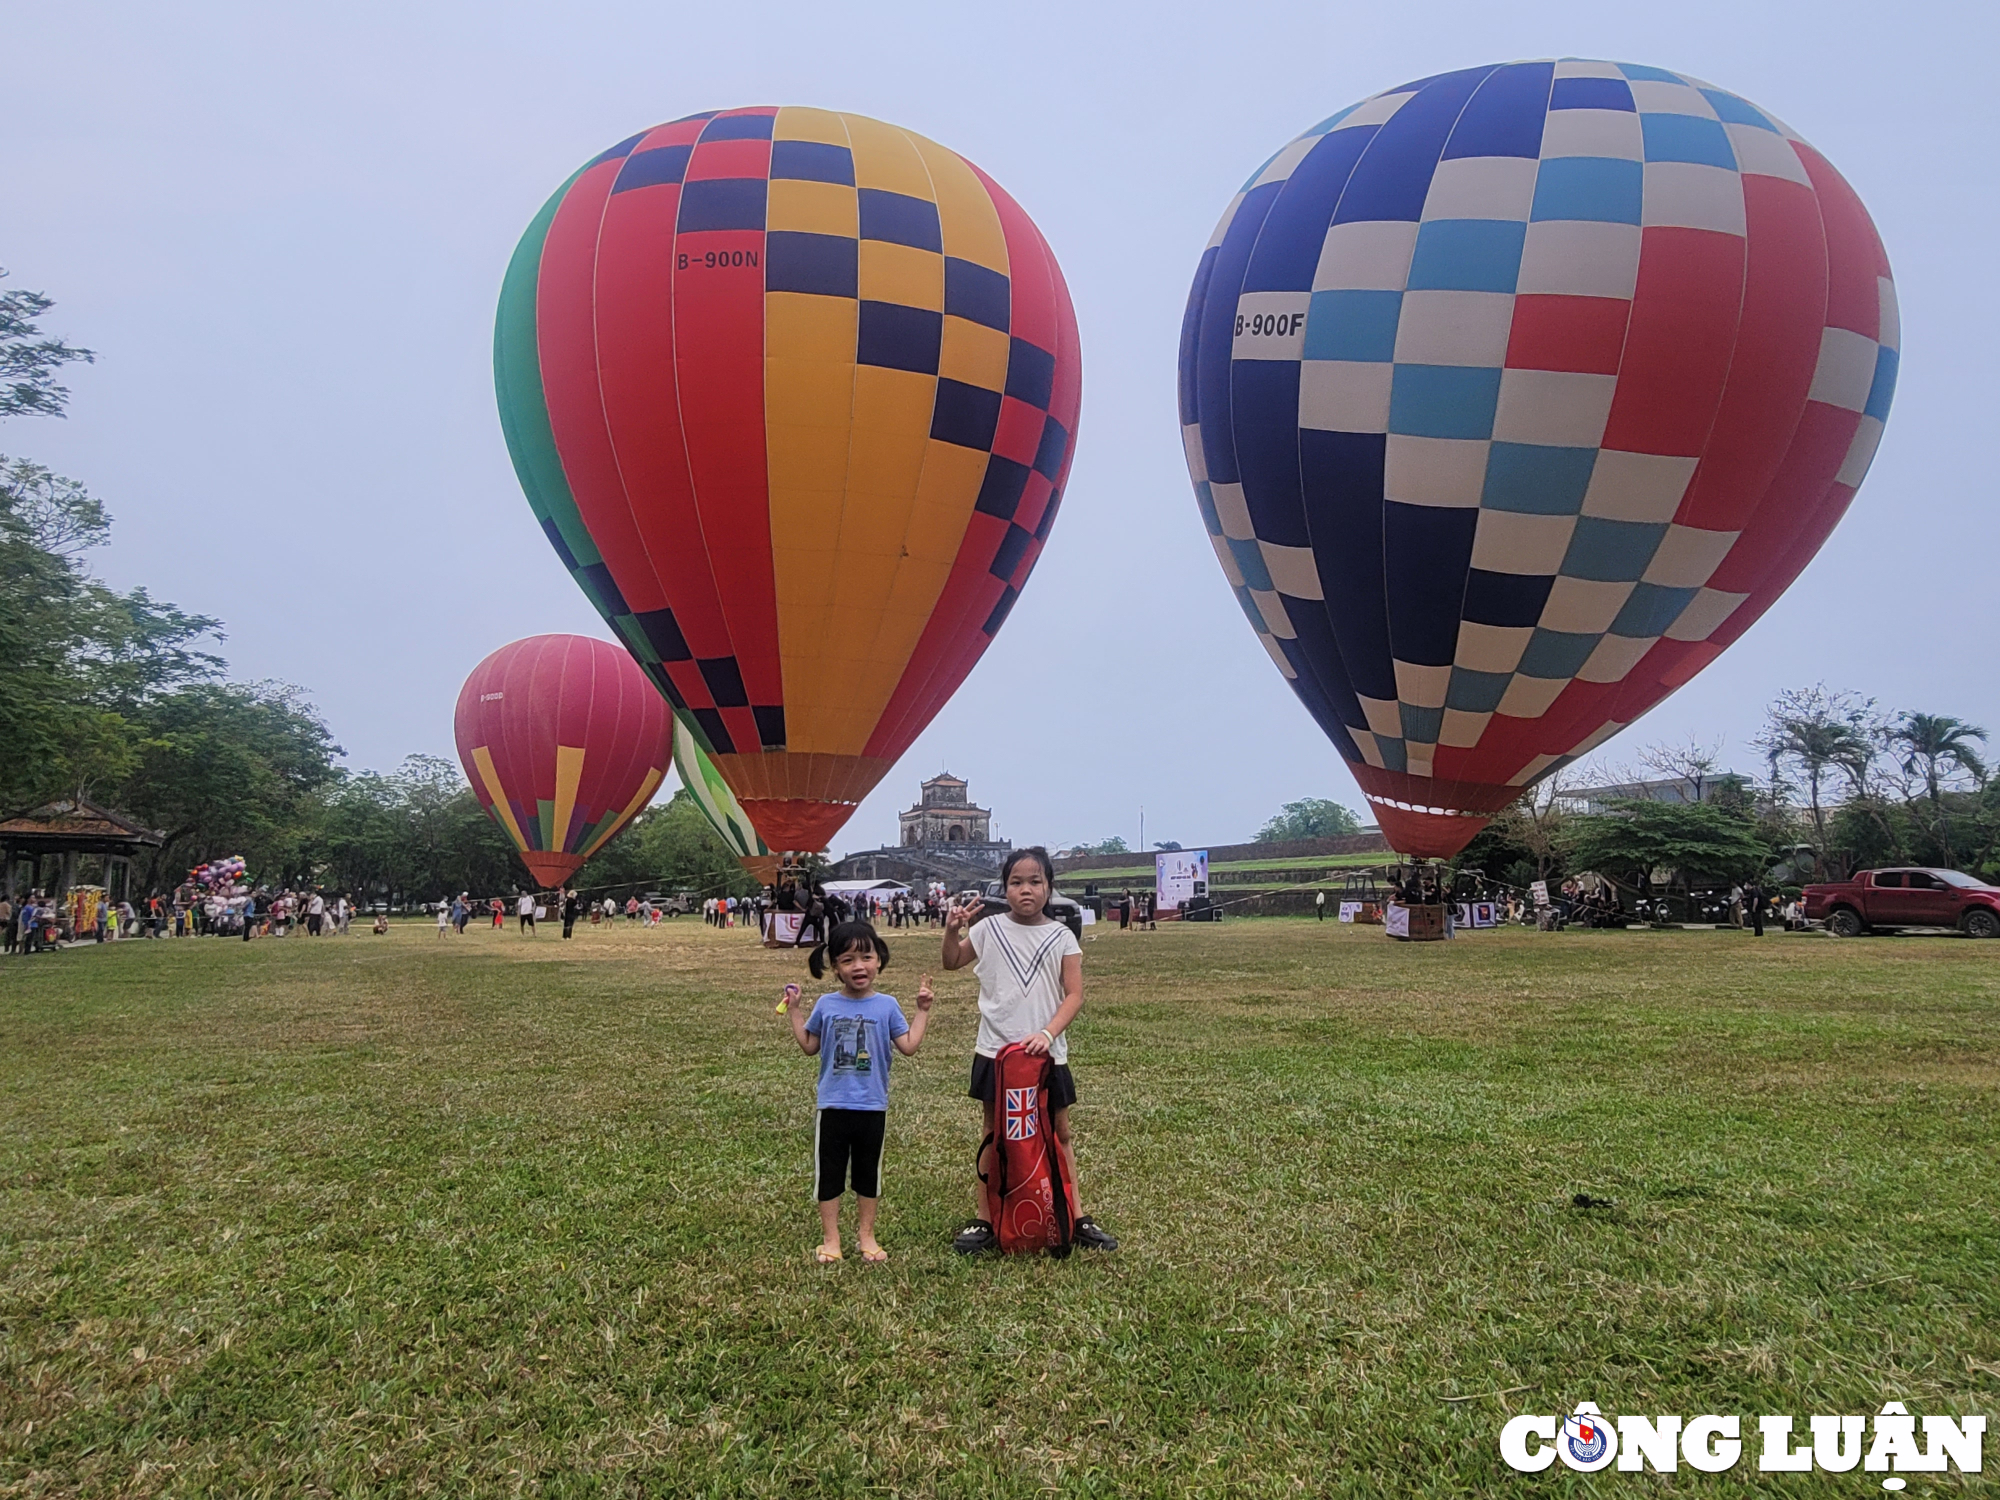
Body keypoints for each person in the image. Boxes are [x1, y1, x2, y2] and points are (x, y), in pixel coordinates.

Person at [942, 846, 1116, 1255]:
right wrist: (952, 929)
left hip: (1047, 1055)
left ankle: (1074, 1214)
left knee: (1060, 1132)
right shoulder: (987, 929)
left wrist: (1047, 1032)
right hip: (995, 1052)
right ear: (1005, 887)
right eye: (1016, 882)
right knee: (993, 1132)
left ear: (1049, 888)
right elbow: (952, 962)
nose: (1026, 890)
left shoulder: (1061, 936)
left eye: (1035, 882)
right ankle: (987, 1219)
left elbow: (1074, 995)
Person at [785, 920, 932, 1264]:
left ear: (879, 959)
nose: (859, 966)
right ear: (835, 967)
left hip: (872, 1106)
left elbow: (909, 1045)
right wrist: (794, 1011)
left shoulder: (887, 1005)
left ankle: (867, 1237)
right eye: (848, 960)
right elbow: (809, 1045)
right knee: (830, 1174)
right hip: (833, 1105)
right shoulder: (826, 1005)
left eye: (866, 956)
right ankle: (831, 1240)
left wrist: (922, 1012)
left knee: (868, 1174)